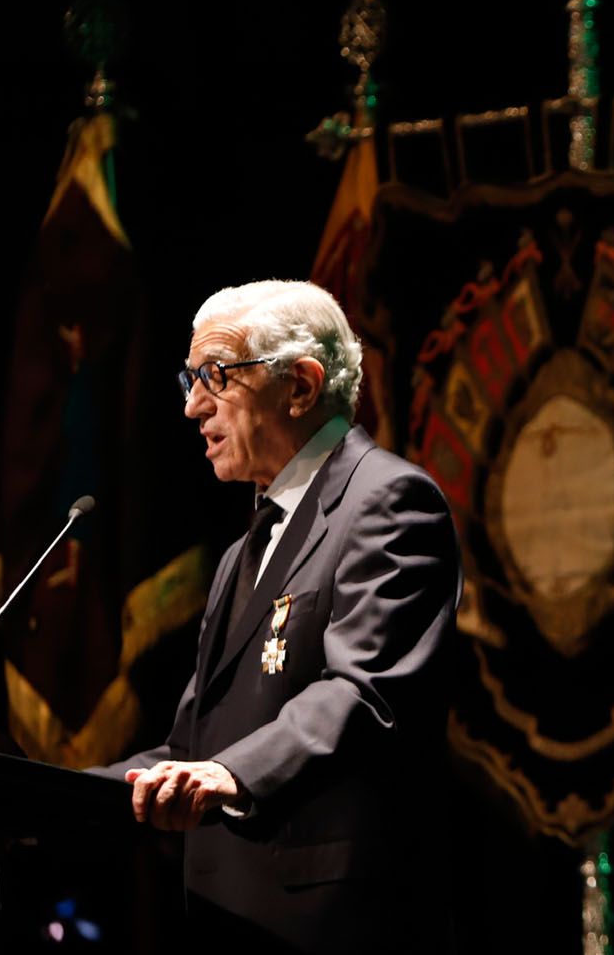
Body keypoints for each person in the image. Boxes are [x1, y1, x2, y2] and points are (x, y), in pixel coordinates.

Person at [100, 280, 461, 951]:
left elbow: (363, 689)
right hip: (227, 918)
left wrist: (231, 774)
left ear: (299, 385)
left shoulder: (389, 502)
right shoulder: (246, 549)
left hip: (330, 926)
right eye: (190, 377)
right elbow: (192, 750)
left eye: (214, 374)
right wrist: (44, 794)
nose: (191, 405)